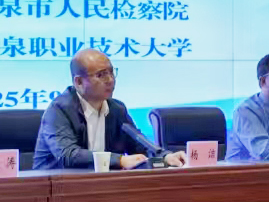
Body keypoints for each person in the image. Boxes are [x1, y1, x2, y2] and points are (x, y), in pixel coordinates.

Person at [33, 49, 186, 170]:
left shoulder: (116, 109)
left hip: (101, 186)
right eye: (101, 75)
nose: (110, 80)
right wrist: (120, 160)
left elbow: (139, 146)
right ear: (79, 82)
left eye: (111, 72)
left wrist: (165, 157)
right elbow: (68, 155)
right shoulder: (59, 110)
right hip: (54, 188)